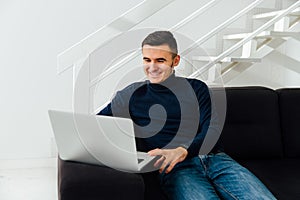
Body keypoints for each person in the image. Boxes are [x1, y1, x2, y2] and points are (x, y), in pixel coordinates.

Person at [98, 31, 276, 199]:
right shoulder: (130, 95)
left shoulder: (197, 88)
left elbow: (212, 128)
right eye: (147, 60)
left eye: (160, 60)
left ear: (175, 61)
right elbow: (97, 124)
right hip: (176, 169)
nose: (152, 67)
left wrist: (183, 150)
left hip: (216, 160)